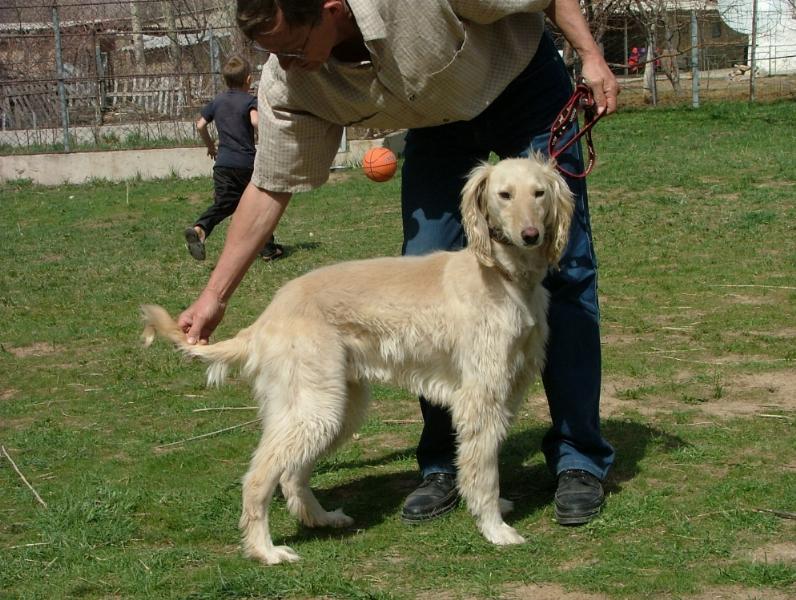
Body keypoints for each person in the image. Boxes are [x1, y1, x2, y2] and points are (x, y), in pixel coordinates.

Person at [178, 0, 618, 527]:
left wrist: (590, 54)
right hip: (436, 123)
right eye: (274, 55)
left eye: (294, 49)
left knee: (564, 270)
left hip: (521, 86)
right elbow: (269, 183)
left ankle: (577, 460)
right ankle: (443, 466)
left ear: (331, 10)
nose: (287, 65)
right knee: (420, 285)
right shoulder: (288, 83)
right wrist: (214, 297)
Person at [185, 54, 284, 262]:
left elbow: (200, 125)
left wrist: (211, 145)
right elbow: (256, 123)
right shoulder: (250, 101)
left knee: (224, 203)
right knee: (258, 206)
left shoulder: (217, 101)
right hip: (246, 164)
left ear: (225, 80)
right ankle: (267, 249)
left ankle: (200, 229)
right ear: (248, 80)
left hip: (222, 165)